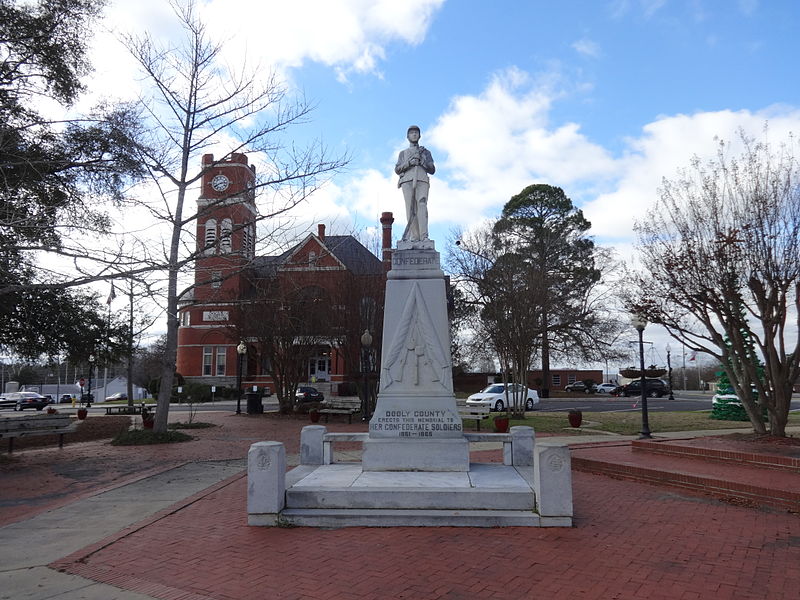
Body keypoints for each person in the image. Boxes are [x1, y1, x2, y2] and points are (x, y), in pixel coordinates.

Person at [395, 125, 435, 242]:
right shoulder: (403, 153)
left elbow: (432, 169)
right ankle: (414, 237)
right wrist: (410, 163)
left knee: (422, 205)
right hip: (407, 181)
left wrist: (422, 162)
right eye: (412, 133)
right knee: (410, 208)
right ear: (408, 136)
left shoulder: (425, 152)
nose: (414, 134)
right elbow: (397, 169)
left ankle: (424, 236)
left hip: (422, 179)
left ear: (420, 135)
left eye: (416, 133)